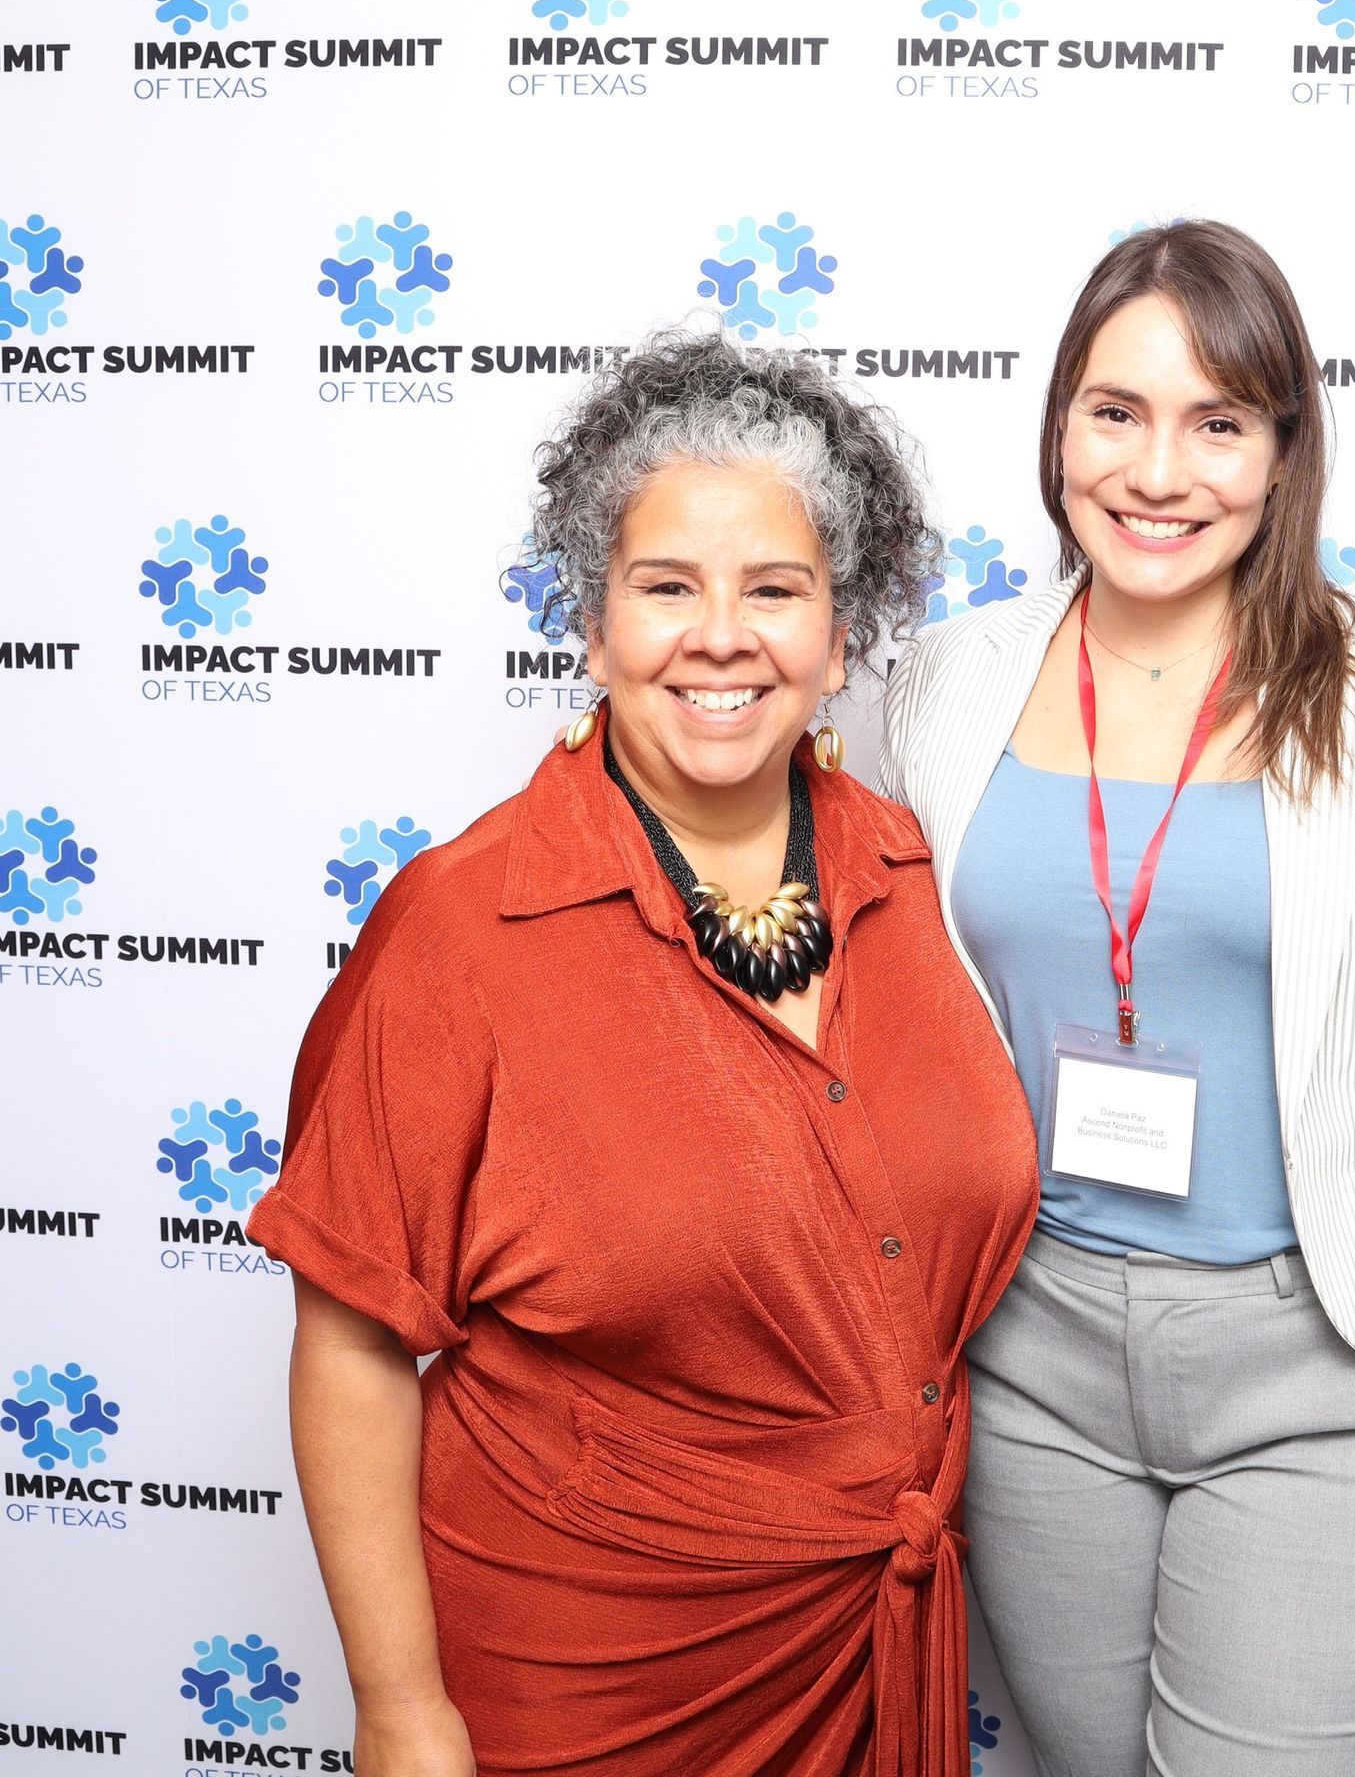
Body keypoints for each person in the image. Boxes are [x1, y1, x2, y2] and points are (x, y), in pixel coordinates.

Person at [247, 333, 1039, 1777]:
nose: (720, 636)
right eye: (666, 587)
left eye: (775, 590)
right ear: (596, 624)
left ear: (840, 633)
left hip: (875, 1644)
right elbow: (354, 1340)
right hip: (593, 1675)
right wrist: (401, 1712)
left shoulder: (915, 872)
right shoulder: (462, 928)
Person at [879, 221, 1355, 1776]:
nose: (1159, 470)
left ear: (1283, 454)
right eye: (1116, 412)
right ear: (1058, 424)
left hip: (1323, 1355)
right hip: (1030, 1353)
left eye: (1219, 423)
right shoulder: (943, 684)